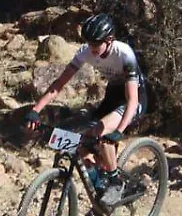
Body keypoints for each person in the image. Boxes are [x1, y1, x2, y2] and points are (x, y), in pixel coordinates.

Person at [24, 13, 147, 206]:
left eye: (96, 44)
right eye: (89, 43)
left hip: (133, 100)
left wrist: (119, 132)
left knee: (102, 133)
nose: (92, 48)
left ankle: (115, 183)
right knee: (83, 146)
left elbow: (132, 100)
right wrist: (35, 109)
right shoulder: (86, 52)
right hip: (112, 97)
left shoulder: (125, 54)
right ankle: (102, 198)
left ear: (109, 40)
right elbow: (59, 84)